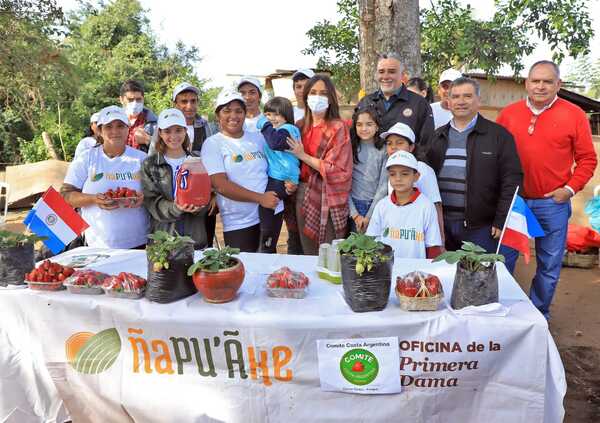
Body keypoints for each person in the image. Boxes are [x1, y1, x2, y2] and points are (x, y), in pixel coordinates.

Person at [497, 60, 597, 319]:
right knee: (503, 260)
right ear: (526, 83)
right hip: (514, 203)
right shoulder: (508, 114)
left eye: (547, 81)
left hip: (552, 203)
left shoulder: (574, 114)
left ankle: (537, 314)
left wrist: (570, 189)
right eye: (536, 81)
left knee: (549, 265)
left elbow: (587, 159)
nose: (540, 86)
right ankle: (502, 314)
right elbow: (496, 156)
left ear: (558, 85)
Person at [426, 77, 522, 269]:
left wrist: (501, 218)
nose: (461, 101)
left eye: (467, 96)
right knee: (444, 276)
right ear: (448, 101)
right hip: (441, 226)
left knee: (480, 277)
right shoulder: (436, 136)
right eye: (456, 97)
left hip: (481, 227)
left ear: (479, 100)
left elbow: (512, 180)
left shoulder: (498, 136)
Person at [201, 90, 280, 252]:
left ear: (245, 114)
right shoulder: (213, 144)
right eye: (227, 111)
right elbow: (221, 185)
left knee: (268, 266)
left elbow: (275, 167)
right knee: (245, 270)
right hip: (240, 222)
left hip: (271, 213)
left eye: (239, 111)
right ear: (218, 115)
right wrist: (260, 198)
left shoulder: (258, 137)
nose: (233, 116)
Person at [61, 106, 148, 249]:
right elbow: (66, 195)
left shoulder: (142, 159)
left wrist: (143, 198)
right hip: (98, 244)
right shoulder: (87, 158)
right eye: (109, 127)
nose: (115, 131)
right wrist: (93, 199)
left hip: (138, 242)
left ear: (128, 129)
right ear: (100, 131)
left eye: (120, 126)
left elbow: (156, 194)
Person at [286, 74, 353, 254]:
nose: (318, 97)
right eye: (313, 92)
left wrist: (303, 156)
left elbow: (339, 170)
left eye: (323, 93)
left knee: (329, 252)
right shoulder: (298, 127)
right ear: (306, 96)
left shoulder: (338, 128)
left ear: (331, 98)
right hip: (301, 193)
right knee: (307, 250)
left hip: (327, 196)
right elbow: (286, 161)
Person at [141, 108, 209, 249]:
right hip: (163, 243)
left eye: (178, 130)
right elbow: (151, 202)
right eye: (167, 131)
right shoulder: (150, 164)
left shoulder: (198, 162)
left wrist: (199, 206)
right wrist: (175, 207)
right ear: (159, 133)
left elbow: (206, 198)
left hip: (195, 241)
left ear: (185, 131)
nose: (173, 136)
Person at [366, 151, 442, 259]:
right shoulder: (382, 205)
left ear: (416, 176)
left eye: (404, 174)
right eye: (392, 174)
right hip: (386, 269)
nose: (398, 178)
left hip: (416, 271)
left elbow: (433, 247)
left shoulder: (426, 206)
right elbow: (371, 240)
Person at [169, 81, 218, 246]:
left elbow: (215, 162)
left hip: (204, 197)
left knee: (204, 243)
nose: (189, 106)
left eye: (193, 100)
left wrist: (214, 194)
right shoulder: (165, 127)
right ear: (175, 104)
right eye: (183, 101)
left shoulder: (208, 127)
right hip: (174, 199)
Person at [382, 122, 444, 241]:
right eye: (389, 143)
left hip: (419, 233)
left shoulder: (422, 169)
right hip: (399, 234)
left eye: (399, 143)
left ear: (411, 147)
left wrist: (440, 242)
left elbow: (436, 206)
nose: (393, 147)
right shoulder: (391, 168)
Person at [255, 97, 301, 253]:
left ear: (286, 115)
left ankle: (266, 243)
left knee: (266, 209)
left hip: (282, 179)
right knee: (269, 209)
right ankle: (267, 242)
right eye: (268, 114)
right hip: (279, 177)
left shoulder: (288, 129)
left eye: (276, 115)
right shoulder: (277, 130)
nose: (271, 118)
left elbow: (275, 143)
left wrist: (264, 124)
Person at [356, 53, 434, 144]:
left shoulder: (419, 104)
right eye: (381, 72)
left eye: (391, 72)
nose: (385, 76)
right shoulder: (365, 103)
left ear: (402, 75)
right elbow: (355, 140)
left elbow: (426, 143)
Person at [348, 107, 388, 233]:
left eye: (369, 124)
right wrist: (354, 214)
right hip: (353, 206)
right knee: (355, 248)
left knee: (374, 247)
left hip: (376, 206)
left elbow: (383, 185)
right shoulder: (349, 148)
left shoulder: (384, 149)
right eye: (359, 125)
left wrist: (369, 215)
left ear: (377, 127)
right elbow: (344, 183)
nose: (364, 129)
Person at [119, 79, 158, 153]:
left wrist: (149, 140)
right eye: (130, 100)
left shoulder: (155, 123)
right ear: (121, 99)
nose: (135, 104)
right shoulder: (113, 122)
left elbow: (169, 151)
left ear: (143, 98)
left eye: (138, 99)